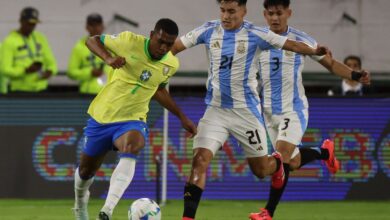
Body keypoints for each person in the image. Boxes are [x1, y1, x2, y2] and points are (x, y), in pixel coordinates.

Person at [171, 0, 329, 219]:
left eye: (231, 11)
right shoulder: (208, 30)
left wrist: (314, 50)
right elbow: (174, 47)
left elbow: (290, 45)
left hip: (245, 113)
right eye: (223, 10)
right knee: (199, 159)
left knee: (262, 170)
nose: (225, 16)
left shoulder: (256, 34)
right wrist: (153, 57)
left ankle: (279, 166)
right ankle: (187, 217)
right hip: (215, 111)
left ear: (244, 11)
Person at [251, 1, 371, 219]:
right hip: (268, 112)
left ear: (288, 13)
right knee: (293, 162)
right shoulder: (257, 40)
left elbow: (331, 64)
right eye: (271, 14)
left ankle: (268, 212)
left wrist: (354, 75)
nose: (275, 18)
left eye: (279, 13)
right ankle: (324, 151)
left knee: (281, 157)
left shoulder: (302, 40)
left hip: (293, 110)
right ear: (264, 15)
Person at [72, 18, 197, 220]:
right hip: (103, 116)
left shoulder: (171, 63)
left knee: (134, 144)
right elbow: (92, 40)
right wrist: (108, 58)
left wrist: (182, 116)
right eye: (161, 41)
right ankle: (79, 205)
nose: (164, 48)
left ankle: (107, 210)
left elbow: (159, 90)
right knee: (86, 171)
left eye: (169, 44)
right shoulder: (128, 41)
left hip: (133, 118)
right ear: (151, 35)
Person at [0, 7, 57, 92]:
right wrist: (25, 71)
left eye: (34, 24)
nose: (32, 27)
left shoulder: (40, 38)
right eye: (29, 23)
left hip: (41, 89)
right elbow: (4, 69)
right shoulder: (9, 42)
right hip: (20, 91)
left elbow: (51, 62)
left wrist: (50, 71)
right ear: (21, 21)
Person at [68, 13, 112, 94]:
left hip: (108, 94)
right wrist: (90, 72)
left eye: (98, 25)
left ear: (103, 27)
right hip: (87, 94)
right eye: (92, 25)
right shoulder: (79, 46)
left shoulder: (111, 45)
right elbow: (71, 72)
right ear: (87, 27)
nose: (95, 28)